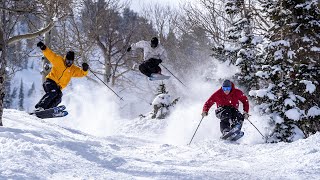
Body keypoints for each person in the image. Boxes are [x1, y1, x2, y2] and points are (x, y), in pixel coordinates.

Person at [34, 41, 89, 111]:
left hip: (58, 87)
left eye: (70, 62)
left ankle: (46, 110)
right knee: (53, 92)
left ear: (72, 62)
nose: (68, 63)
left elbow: (82, 73)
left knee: (58, 98)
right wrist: (43, 48)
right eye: (67, 61)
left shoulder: (73, 69)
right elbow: (50, 54)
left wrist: (85, 69)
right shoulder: (59, 60)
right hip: (50, 82)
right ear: (65, 59)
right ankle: (40, 106)